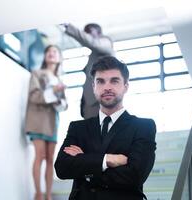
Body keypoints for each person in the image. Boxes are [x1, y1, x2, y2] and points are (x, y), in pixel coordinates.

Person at [54, 56, 156, 200]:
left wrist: (86, 169)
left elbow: (135, 175)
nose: (107, 87)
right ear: (94, 87)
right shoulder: (78, 128)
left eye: (114, 81)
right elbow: (62, 168)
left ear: (126, 86)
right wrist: (108, 159)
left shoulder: (144, 126)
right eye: (100, 81)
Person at [25, 45, 67, 200]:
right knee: (40, 156)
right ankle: (38, 194)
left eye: (55, 52)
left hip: (53, 121)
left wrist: (60, 98)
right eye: (49, 51)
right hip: (38, 120)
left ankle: (48, 196)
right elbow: (34, 97)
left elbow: (63, 105)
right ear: (44, 56)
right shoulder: (37, 74)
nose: (51, 54)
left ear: (59, 58)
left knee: (50, 158)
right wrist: (54, 91)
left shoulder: (59, 80)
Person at [63, 23, 115, 119]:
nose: (86, 36)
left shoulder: (106, 42)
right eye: (85, 33)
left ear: (99, 32)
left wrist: (68, 26)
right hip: (90, 102)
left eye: (88, 32)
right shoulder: (93, 55)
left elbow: (93, 43)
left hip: (101, 101)